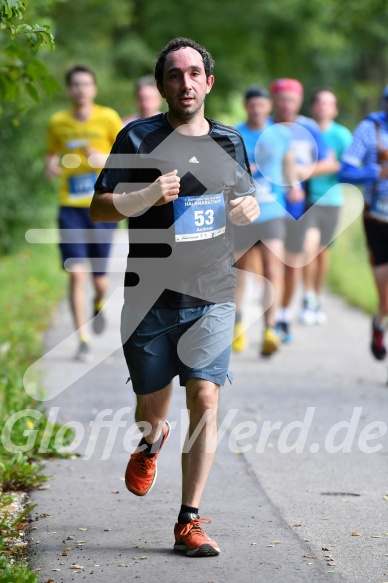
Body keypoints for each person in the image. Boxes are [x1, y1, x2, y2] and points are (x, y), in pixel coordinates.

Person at [90, 38, 258, 557]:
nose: (185, 83)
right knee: (152, 407)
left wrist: (246, 211)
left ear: (208, 83)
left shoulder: (230, 141)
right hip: (149, 296)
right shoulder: (137, 137)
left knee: (205, 397)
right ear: (163, 85)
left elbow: (242, 199)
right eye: (174, 75)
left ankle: (189, 518)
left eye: (194, 74)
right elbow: (99, 208)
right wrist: (143, 196)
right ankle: (151, 440)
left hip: (211, 292)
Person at [45, 65, 123, 362]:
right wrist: (50, 166)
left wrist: (102, 159)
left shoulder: (108, 118)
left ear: (94, 89)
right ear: (69, 90)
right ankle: (84, 340)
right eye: (75, 84)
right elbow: (50, 155)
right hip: (70, 209)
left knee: (99, 280)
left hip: (101, 207)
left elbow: (124, 157)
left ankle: (100, 300)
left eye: (86, 84)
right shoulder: (58, 122)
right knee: (76, 274)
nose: (81, 89)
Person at [232, 87, 302, 356]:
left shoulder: (281, 133)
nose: (257, 110)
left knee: (273, 271)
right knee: (240, 271)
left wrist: (294, 184)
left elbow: (288, 162)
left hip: (272, 211)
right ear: (246, 106)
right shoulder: (234, 134)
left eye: (261, 105)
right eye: (252, 105)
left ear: (268, 107)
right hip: (242, 212)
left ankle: (269, 329)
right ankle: (238, 324)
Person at [269, 78, 339, 343]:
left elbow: (331, 163)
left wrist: (299, 171)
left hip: (298, 206)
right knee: (269, 266)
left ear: (299, 102)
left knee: (291, 263)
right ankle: (268, 319)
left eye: (292, 99)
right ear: (274, 100)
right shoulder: (265, 126)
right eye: (282, 99)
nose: (287, 104)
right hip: (266, 207)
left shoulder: (308, 128)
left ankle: (284, 317)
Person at [339, 84, 388, 360]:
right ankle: (380, 321)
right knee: (386, 297)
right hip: (378, 221)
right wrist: (376, 172)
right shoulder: (369, 129)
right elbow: (344, 172)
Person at [300, 88, 352, 325]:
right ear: (313, 107)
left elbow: (348, 167)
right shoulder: (304, 132)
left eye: (328, 103)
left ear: (335, 109)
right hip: (307, 199)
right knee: (308, 249)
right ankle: (308, 296)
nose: (322, 107)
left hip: (332, 200)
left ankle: (317, 298)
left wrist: (329, 165)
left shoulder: (342, 135)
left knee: (323, 252)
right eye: (319, 102)